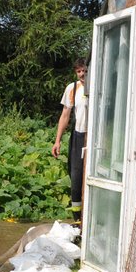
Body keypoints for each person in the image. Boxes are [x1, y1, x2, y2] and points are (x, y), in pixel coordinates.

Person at [52, 58, 88, 224]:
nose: (82, 74)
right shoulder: (73, 88)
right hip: (78, 136)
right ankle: (77, 219)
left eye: (85, 71)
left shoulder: (100, 87)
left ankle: (90, 215)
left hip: (94, 137)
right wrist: (57, 141)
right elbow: (65, 114)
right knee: (75, 176)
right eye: (79, 71)